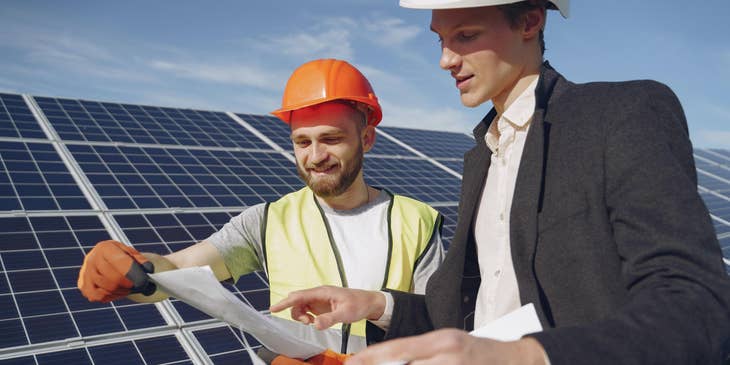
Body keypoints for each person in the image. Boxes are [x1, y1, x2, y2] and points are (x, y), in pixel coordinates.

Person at [270, 1, 730, 364]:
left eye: (466, 36)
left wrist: (526, 357)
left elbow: (696, 305)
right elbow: (469, 315)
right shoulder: (481, 158)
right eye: (441, 40)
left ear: (530, 21)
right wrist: (372, 304)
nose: (446, 60)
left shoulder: (622, 114)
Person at [76, 58, 446, 357]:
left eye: (331, 139)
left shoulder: (417, 221)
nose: (315, 156)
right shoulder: (268, 220)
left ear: (366, 139)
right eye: (302, 142)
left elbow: (441, 323)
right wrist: (133, 270)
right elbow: (180, 270)